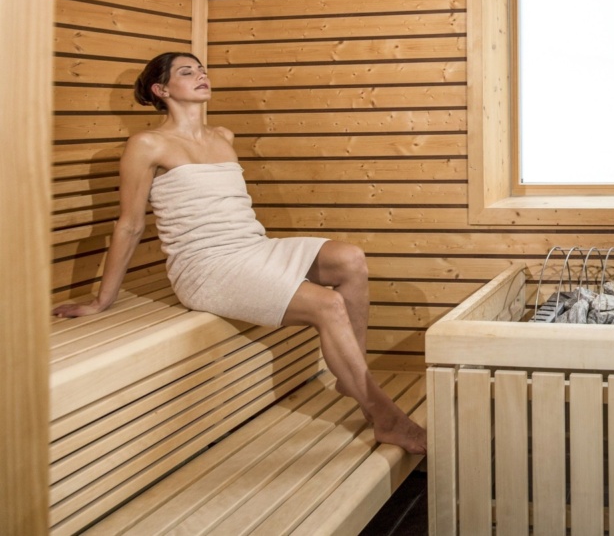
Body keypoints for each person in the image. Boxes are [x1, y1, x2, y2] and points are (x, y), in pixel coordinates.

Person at [53, 51, 427, 454]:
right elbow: (130, 224)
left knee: (350, 258)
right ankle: (386, 418)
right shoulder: (147, 144)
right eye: (187, 72)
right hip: (206, 266)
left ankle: (353, 376)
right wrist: (102, 300)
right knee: (328, 305)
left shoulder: (223, 136)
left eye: (202, 70)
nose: (201, 76)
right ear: (161, 90)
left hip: (251, 246)